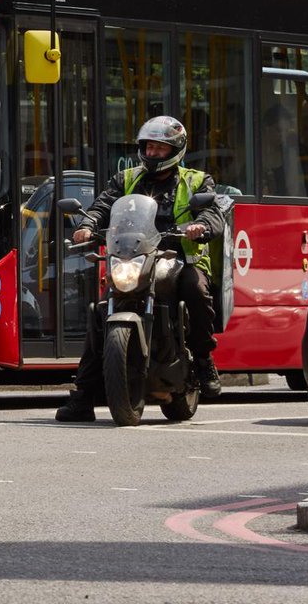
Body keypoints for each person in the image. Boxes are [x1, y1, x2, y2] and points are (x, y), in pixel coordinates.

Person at [56, 115, 226, 422]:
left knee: (197, 290)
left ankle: (203, 359)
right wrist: (87, 224)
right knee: (100, 312)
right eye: (149, 147)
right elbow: (103, 205)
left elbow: (214, 214)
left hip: (179, 257)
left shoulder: (197, 181)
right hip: (133, 256)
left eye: (160, 149)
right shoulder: (126, 179)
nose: (153, 153)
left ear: (175, 150)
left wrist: (200, 225)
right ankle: (82, 398)